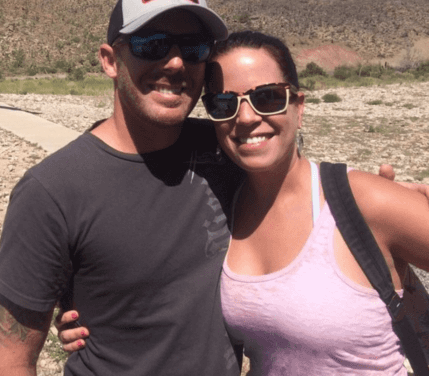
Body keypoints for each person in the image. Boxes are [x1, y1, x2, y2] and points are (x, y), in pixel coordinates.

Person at [58, 30, 429, 374]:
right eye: (224, 104)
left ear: (298, 107)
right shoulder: (223, 202)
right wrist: (96, 317)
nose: (247, 118)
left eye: (267, 97)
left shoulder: (364, 200)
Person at [0, 0, 244, 376]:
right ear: (110, 60)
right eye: (152, 45)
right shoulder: (51, 191)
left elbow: (302, 197)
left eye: (194, 48)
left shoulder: (228, 150)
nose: (176, 62)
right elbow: (10, 360)